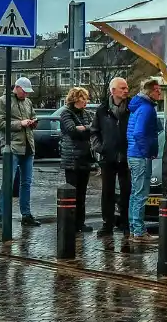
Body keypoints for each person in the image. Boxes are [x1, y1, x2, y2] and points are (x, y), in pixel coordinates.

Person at [0, 77, 40, 228]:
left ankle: (26, 215)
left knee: (26, 183)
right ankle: (2, 216)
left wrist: (33, 122)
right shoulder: (3, 101)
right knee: (8, 182)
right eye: (25, 91)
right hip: (13, 147)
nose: (26, 95)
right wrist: (19, 124)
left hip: (28, 145)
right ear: (18, 87)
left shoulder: (27, 102)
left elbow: (33, 116)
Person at [92, 77, 131, 236]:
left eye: (126, 88)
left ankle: (125, 223)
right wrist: (100, 147)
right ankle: (107, 224)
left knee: (126, 191)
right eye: (122, 88)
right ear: (113, 91)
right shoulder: (102, 110)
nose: (126, 91)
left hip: (126, 155)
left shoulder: (131, 108)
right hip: (108, 156)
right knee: (107, 192)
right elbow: (94, 131)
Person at [126, 79, 161, 241]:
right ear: (149, 92)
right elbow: (139, 133)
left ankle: (134, 227)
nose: (159, 93)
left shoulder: (138, 106)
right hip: (140, 156)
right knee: (141, 194)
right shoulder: (147, 109)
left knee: (135, 193)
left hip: (133, 154)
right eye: (156, 90)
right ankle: (139, 231)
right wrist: (148, 151)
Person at [57, 87, 95, 233]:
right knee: (72, 192)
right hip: (71, 158)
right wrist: (85, 129)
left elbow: (93, 129)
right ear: (75, 99)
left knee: (82, 193)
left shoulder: (86, 114)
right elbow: (72, 130)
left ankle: (81, 222)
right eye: (83, 98)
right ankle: (70, 222)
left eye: (86, 98)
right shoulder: (66, 113)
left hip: (85, 157)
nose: (86, 101)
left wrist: (83, 128)